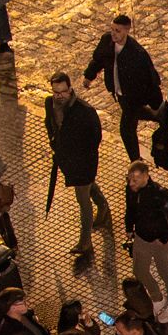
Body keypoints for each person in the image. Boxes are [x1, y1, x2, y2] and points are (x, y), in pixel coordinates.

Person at [44, 73, 110, 258]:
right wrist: (54, 142)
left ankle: (85, 241)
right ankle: (103, 206)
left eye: (63, 92)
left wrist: (80, 155)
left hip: (83, 163)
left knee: (82, 199)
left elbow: (95, 138)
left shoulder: (84, 111)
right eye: (56, 92)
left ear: (70, 89)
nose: (59, 96)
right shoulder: (49, 103)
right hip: (66, 160)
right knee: (87, 187)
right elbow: (49, 123)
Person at [82, 15, 163, 162]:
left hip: (133, 98)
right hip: (120, 95)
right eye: (112, 29)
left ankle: (136, 162)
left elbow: (151, 80)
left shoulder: (137, 54)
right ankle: (162, 117)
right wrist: (89, 76)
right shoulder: (107, 41)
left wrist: (156, 103)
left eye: (117, 31)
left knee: (126, 130)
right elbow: (98, 60)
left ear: (127, 30)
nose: (113, 33)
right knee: (139, 116)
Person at [122, 163, 168, 324]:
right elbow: (130, 209)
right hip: (142, 238)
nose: (131, 183)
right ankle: (157, 297)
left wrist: (163, 239)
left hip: (161, 243)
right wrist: (129, 228)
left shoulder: (161, 195)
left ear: (146, 175)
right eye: (130, 179)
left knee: (166, 273)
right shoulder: (131, 190)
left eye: (135, 179)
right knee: (139, 270)